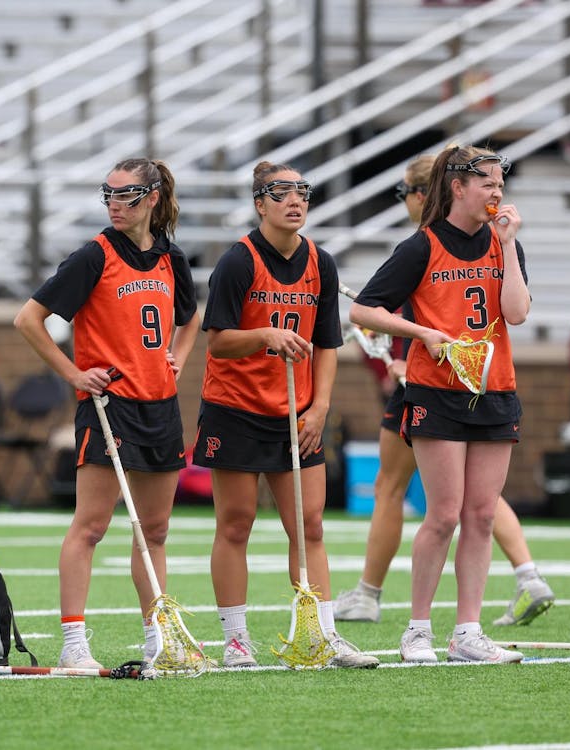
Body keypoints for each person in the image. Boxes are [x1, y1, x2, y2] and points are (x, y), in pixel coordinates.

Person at [336, 154, 553, 628]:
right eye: (487, 184)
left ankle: (467, 629)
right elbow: (364, 311)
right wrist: (421, 333)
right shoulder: (421, 246)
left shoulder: (504, 244)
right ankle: (417, 627)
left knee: (479, 516)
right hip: (436, 392)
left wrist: (510, 246)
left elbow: (516, 314)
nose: (497, 193)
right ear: (457, 188)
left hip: (495, 390)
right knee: (443, 517)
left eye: (501, 184)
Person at [15, 158, 199, 670]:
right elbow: (29, 318)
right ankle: (75, 642)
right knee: (90, 527)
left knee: (155, 531)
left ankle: (155, 636)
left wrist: (176, 360)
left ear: (153, 198)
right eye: (109, 195)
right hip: (108, 406)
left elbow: (190, 318)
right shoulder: (93, 256)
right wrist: (74, 374)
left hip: (159, 407)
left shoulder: (170, 257)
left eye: (127, 195)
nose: (116, 204)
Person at [193, 160, 378, 670]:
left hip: (296, 412)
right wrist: (265, 336)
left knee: (310, 525)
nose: (295, 201)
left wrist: (319, 408)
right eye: (282, 193)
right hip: (236, 409)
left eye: (303, 192)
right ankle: (235, 640)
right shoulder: (238, 261)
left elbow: (327, 345)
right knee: (236, 524)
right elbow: (219, 343)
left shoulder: (322, 261)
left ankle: (322, 633)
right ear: (260, 204)